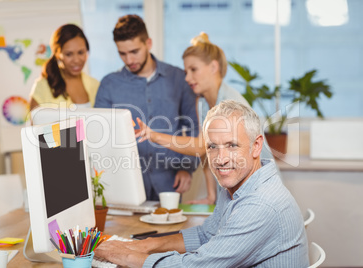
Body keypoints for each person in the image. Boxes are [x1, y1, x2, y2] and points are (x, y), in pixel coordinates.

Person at [95, 100, 309, 267]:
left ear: (256, 146)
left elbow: (197, 265)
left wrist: (125, 256)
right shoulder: (240, 186)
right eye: (212, 147)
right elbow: (205, 235)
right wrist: (144, 245)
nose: (220, 158)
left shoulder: (260, 204)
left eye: (232, 145)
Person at [136, 32, 256, 204]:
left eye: (193, 70)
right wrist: (211, 196)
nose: (187, 78)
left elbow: (200, 147)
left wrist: (153, 135)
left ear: (213, 67)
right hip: (235, 191)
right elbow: (207, 153)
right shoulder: (202, 103)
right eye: (186, 71)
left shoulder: (231, 104)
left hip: (254, 190)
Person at [94, 15, 199, 201]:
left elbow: (192, 128)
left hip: (170, 181)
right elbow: (98, 135)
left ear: (148, 43)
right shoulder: (109, 85)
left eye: (134, 51)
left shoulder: (178, 79)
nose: (129, 59)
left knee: (171, 230)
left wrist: (186, 167)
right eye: (122, 53)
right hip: (125, 184)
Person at [29, 24, 99, 110]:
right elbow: (34, 122)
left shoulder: (96, 85)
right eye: (68, 54)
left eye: (81, 52)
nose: (76, 60)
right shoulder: (42, 86)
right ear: (57, 54)